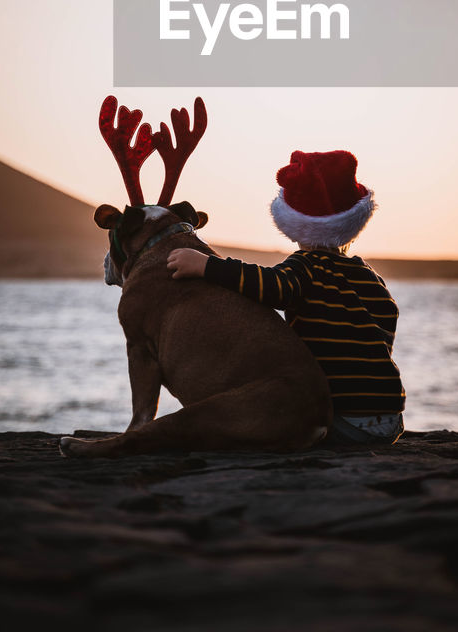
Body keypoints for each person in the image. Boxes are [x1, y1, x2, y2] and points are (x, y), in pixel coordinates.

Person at [167, 148, 405, 446]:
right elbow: (387, 324)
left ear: (295, 222)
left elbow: (272, 286)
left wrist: (206, 265)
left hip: (343, 418)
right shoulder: (370, 277)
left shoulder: (306, 266)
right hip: (391, 420)